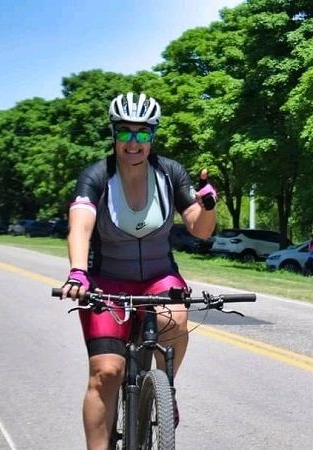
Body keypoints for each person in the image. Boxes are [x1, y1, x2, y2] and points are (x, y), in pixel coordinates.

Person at [58, 92, 217, 449]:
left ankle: (165, 388)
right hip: (107, 281)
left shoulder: (170, 173)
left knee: (176, 316)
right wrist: (78, 272)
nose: (133, 143)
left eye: (142, 133)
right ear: (113, 134)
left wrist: (207, 206)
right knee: (106, 372)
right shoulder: (97, 175)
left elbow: (200, 228)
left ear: (152, 136)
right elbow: (80, 225)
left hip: (159, 276)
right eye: (125, 133)